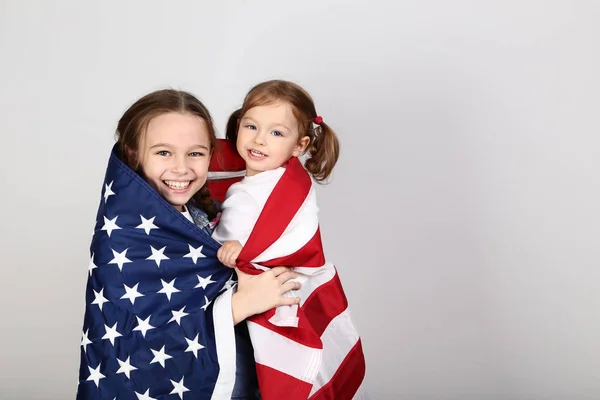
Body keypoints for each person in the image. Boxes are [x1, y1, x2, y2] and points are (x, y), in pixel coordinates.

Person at [77, 88, 300, 400]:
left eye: (195, 153)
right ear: (133, 154)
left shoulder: (204, 220)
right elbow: (139, 345)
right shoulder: (123, 239)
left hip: (238, 376)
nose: (181, 168)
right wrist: (242, 304)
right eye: (163, 152)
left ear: (211, 153)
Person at [212, 80, 366, 400]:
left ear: (299, 145)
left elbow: (287, 241)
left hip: (258, 300)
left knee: (248, 380)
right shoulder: (249, 182)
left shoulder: (286, 190)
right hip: (235, 297)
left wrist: (245, 253)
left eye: (276, 133)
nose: (259, 139)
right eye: (251, 126)